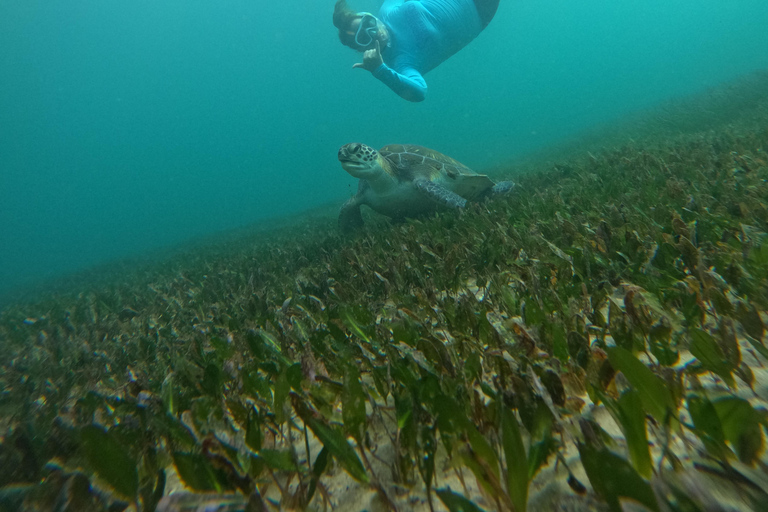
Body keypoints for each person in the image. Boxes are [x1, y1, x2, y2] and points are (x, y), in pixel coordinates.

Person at [333, 0, 500, 102]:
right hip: (480, 11)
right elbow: (419, 93)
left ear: (371, 16)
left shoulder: (387, 11)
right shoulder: (401, 62)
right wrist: (379, 70)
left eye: (369, 23)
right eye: (363, 37)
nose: (374, 32)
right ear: (361, 49)